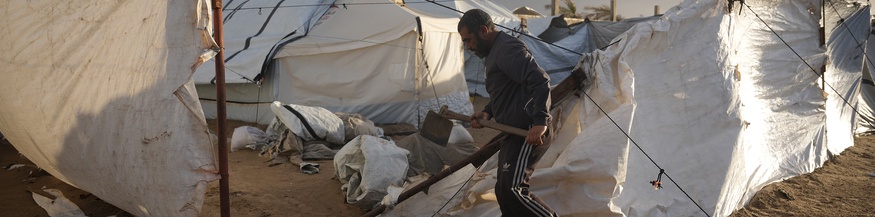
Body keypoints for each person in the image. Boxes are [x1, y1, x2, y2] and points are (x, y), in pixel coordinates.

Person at [458, 9, 557, 217]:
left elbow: (540, 81)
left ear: (483, 30)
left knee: (513, 190)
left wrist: (540, 122)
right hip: (512, 132)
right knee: (503, 191)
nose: (468, 47)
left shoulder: (507, 49)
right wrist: (487, 112)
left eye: (468, 40)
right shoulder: (495, 52)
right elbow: (507, 92)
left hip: (527, 132)